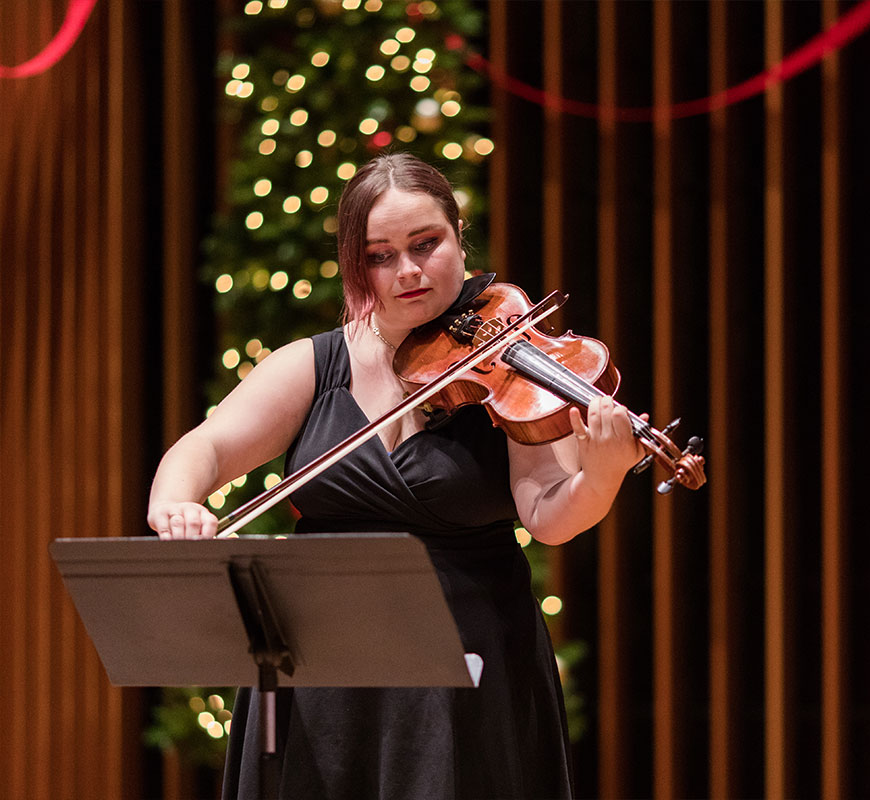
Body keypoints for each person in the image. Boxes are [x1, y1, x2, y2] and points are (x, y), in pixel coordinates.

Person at [147, 152, 658, 799]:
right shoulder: (315, 365)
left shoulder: (511, 365)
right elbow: (206, 447)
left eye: (426, 244)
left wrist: (602, 477)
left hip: (463, 663)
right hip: (321, 667)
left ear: (459, 237)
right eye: (380, 256)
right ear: (354, 264)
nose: (408, 271)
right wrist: (177, 502)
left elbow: (548, 515)